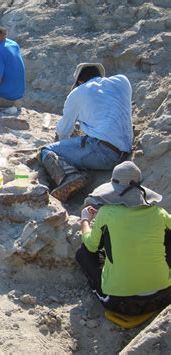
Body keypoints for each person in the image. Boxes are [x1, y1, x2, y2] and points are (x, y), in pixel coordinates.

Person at [76, 161, 171, 316]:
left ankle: (105, 286)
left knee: (83, 253)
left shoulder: (106, 213)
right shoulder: (159, 213)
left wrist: (85, 220)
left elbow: (91, 246)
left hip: (121, 302)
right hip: (164, 295)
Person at [39, 63, 133, 201]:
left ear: (80, 81)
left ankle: (69, 177)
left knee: (46, 150)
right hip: (124, 152)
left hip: (103, 151)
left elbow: (63, 131)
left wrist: (63, 147)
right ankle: (80, 172)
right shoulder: (122, 81)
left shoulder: (78, 93)